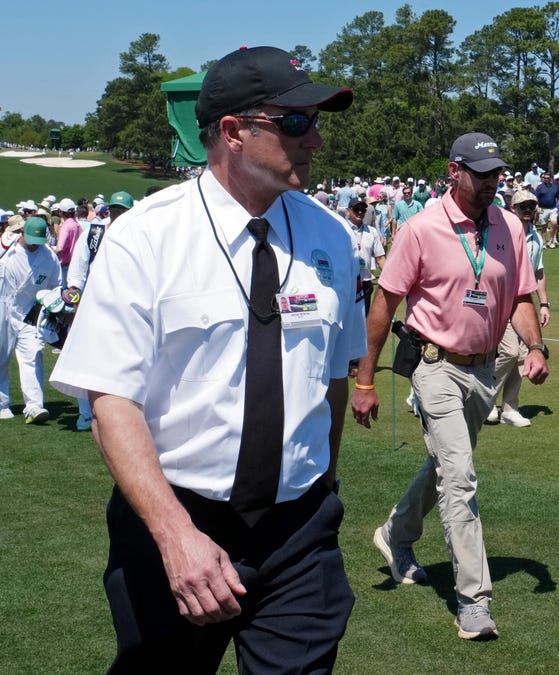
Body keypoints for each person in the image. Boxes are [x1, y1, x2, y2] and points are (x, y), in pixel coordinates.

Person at [49, 45, 362, 672]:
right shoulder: (147, 236)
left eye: (318, 121)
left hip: (298, 529)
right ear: (232, 132)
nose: (317, 140)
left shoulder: (333, 236)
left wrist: (323, 483)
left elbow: (333, 377)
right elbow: (111, 399)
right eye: (297, 122)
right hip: (177, 516)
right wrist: (174, 535)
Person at [354, 132, 549, 641]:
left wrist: (535, 346)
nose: (490, 182)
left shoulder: (509, 224)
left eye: (496, 174)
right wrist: (366, 377)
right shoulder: (420, 229)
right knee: (460, 478)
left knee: (445, 463)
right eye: (480, 173)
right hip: (434, 364)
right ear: (453, 171)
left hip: (484, 370)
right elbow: (384, 304)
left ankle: (394, 534)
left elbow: (523, 295)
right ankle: (474, 601)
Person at [62, 191, 134, 431]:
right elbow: (78, 269)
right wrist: (74, 301)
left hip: (127, 307)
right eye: (115, 210)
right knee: (87, 360)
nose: (118, 214)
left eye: (123, 210)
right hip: (94, 303)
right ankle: (85, 414)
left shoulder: (140, 234)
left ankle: (121, 411)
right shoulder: (94, 234)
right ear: (108, 211)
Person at [488, 189, 550, 427]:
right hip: (503, 303)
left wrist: (544, 304)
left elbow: (539, 272)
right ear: (512, 209)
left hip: (525, 304)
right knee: (510, 352)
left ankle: (510, 407)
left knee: (522, 356)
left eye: (531, 205)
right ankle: (486, 399)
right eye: (522, 206)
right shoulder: (502, 234)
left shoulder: (536, 237)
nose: (527, 210)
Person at [0, 216, 60, 423]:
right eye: (31, 241)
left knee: (33, 356)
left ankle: (34, 406)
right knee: (1, 357)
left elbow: (56, 287)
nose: (35, 246)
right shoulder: (7, 249)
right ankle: (2, 403)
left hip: (30, 314)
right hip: (4, 309)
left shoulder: (50, 258)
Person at [348, 197, 387, 320]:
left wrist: (390, 278)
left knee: (363, 322)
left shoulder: (372, 231)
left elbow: (380, 258)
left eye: (363, 209)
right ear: (349, 211)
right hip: (347, 283)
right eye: (356, 209)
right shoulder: (341, 229)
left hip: (365, 282)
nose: (360, 212)